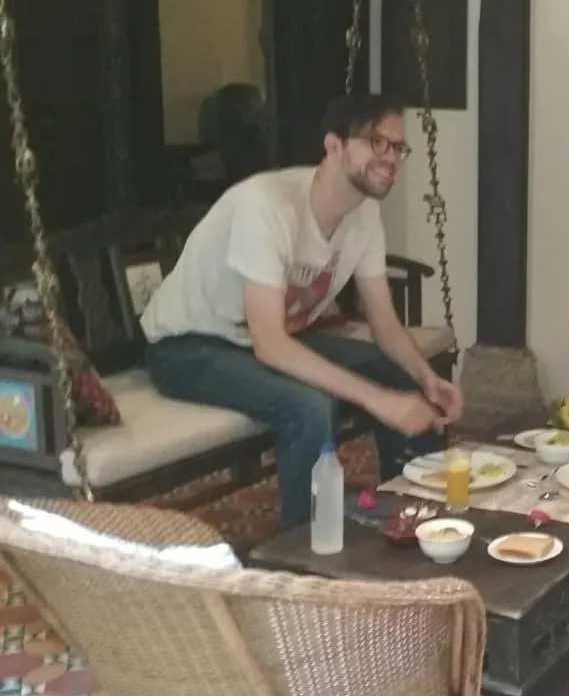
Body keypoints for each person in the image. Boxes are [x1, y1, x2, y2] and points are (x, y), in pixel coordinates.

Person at [140, 92, 463, 531]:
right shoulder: (266, 205)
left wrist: (427, 379)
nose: (390, 157)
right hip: (188, 346)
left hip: (259, 340)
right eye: (376, 142)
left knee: (398, 372)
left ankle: (419, 520)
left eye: (397, 147)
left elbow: (385, 325)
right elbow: (270, 344)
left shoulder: (363, 215)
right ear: (333, 146)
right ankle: (302, 556)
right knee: (309, 407)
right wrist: (381, 402)